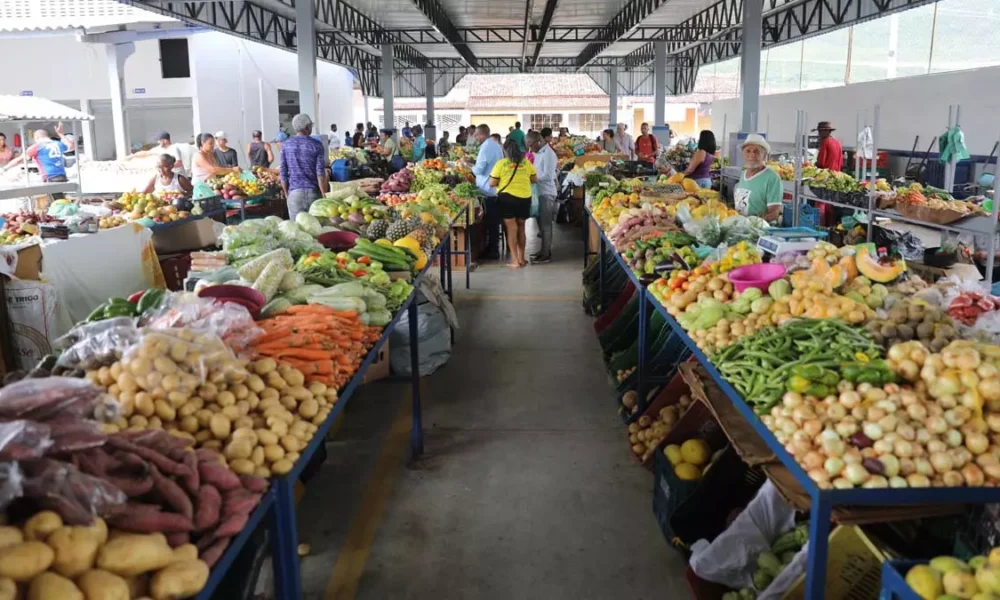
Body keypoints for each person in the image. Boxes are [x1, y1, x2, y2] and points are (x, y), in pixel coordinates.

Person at [490, 138, 537, 268]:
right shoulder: (526, 163)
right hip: (524, 198)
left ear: (505, 150)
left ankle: (515, 261)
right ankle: (522, 259)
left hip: (507, 199)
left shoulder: (501, 164)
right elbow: (534, 179)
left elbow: (492, 183)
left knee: (512, 229)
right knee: (521, 228)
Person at [280, 113, 329, 220]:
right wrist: (324, 194)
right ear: (307, 127)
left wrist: (287, 194)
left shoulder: (286, 145)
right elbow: (320, 173)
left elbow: (283, 173)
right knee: (316, 230)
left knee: (297, 232)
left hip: (295, 195)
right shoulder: (316, 144)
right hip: (313, 195)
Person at [3, 124, 75, 195]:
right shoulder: (58, 144)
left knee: (56, 203)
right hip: (62, 176)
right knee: (61, 200)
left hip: (50, 178)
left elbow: (19, 160)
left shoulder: (37, 147)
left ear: (36, 137)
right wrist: (61, 134)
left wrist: (4, 168)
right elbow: (71, 146)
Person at [734, 134, 782, 223]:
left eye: (757, 151)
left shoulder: (772, 178)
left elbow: (774, 213)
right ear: (743, 155)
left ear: (764, 156)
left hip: (759, 230)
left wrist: (753, 223)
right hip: (741, 227)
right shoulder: (743, 174)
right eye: (748, 151)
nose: (752, 154)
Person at [473, 124, 505, 259]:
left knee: (491, 222)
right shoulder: (494, 144)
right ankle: (491, 248)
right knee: (492, 222)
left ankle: (493, 251)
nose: (475, 137)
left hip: (489, 190)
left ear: (483, 134)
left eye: (477, 134)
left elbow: (479, 170)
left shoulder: (486, 147)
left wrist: (468, 165)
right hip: (493, 188)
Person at [528, 130, 558, 264]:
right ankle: (542, 251)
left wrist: (533, 178)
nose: (530, 147)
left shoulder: (549, 154)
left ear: (539, 142)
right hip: (539, 192)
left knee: (546, 225)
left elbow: (548, 175)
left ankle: (546, 254)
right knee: (540, 224)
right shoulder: (539, 153)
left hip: (547, 193)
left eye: (531, 144)